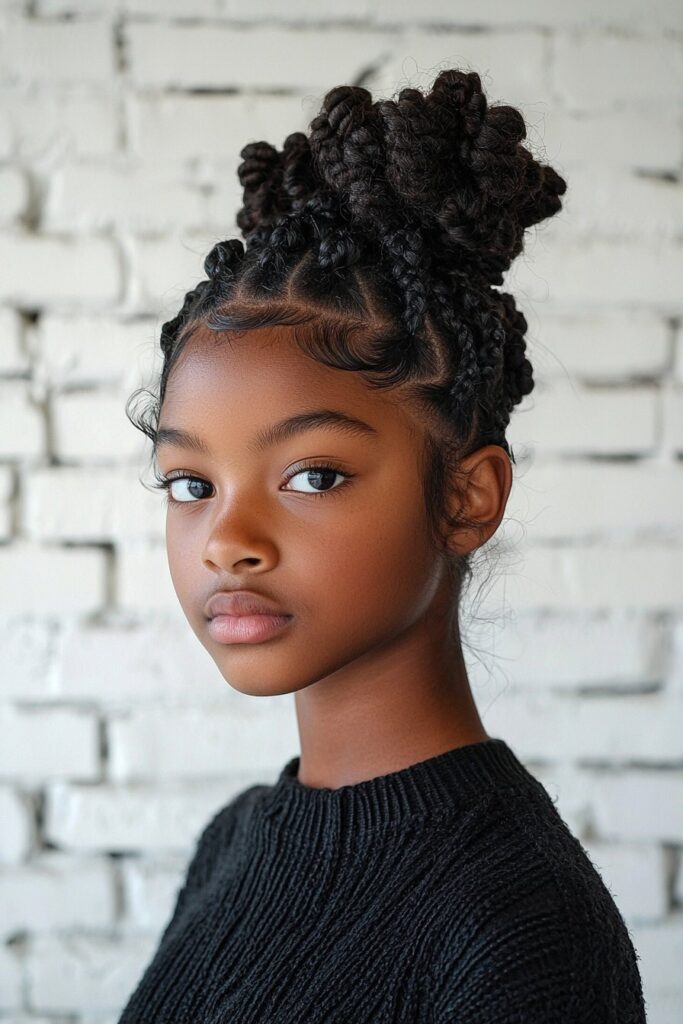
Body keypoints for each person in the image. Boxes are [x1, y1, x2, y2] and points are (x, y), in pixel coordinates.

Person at [118, 69, 646, 1022]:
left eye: (312, 476)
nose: (225, 542)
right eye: (190, 485)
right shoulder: (235, 843)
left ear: (466, 496)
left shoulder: (521, 931)